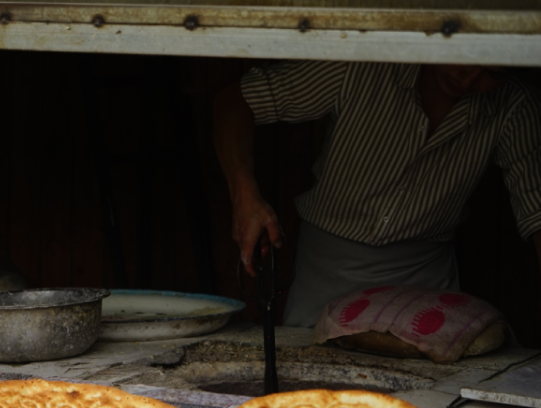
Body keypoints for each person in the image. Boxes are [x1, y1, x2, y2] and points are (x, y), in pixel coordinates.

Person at [213, 62, 541, 327]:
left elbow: (537, 213)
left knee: (426, 398)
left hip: (423, 283)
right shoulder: (363, 67)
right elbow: (236, 102)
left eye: (492, 73)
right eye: (466, 57)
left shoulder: (513, 107)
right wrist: (244, 193)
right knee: (314, 398)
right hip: (325, 274)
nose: (470, 77)